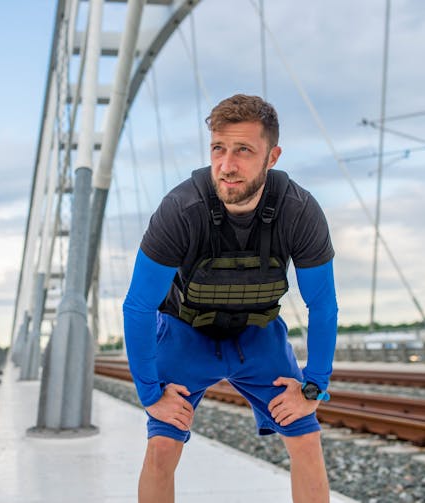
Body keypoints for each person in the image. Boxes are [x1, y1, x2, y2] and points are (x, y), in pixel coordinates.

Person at [122, 94, 338, 503]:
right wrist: (150, 396)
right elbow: (138, 306)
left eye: (243, 150)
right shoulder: (181, 209)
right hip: (187, 334)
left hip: (257, 338)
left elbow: (323, 306)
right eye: (218, 149)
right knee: (162, 447)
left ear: (271, 156)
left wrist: (314, 387)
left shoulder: (299, 210)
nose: (227, 164)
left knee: (307, 441)